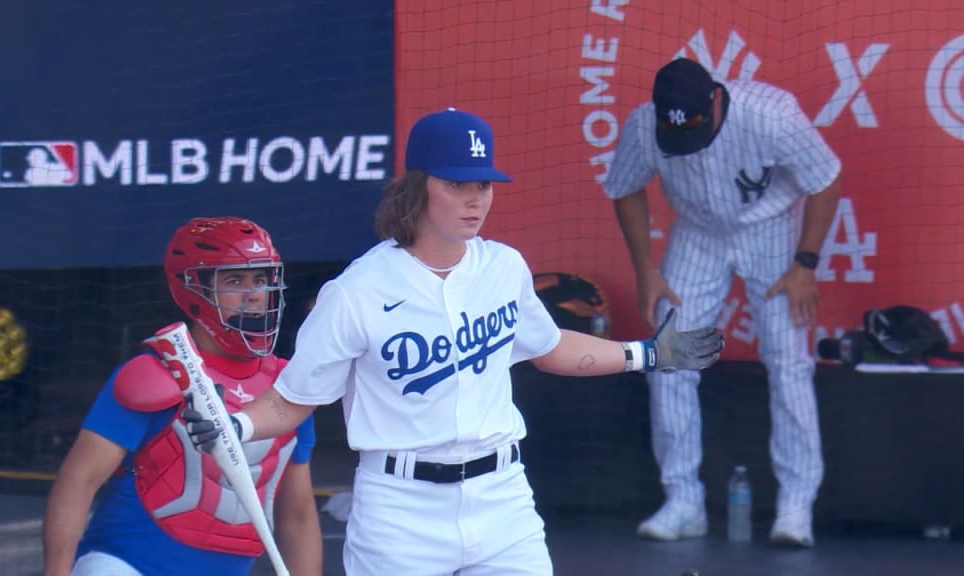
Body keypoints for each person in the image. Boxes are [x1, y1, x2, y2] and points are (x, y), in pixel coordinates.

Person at [183, 107, 725, 576]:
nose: (475, 200)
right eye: (456, 184)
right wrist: (238, 426)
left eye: (482, 185)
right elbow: (293, 398)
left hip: (501, 494)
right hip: (400, 506)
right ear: (418, 188)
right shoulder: (355, 292)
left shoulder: (504, 267)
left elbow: (548, 346)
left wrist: (649, 354)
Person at [603, 58, 841, 547]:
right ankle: (682, 500)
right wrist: (646, 270)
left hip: (770, 230)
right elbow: (624, 188)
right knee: (667, 358)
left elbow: (825, 178)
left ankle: (797, 506)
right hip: (698, 234)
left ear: (714, 99)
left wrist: (806, 264)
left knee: (788, 361)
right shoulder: (644, 125)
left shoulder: (771, 114)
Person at [42, 217, 322, 576]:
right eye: (236, 280)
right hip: (125, 565)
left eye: (263, 279)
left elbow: (296, 514)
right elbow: (78, 481)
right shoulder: (154, 373)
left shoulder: (287, 387)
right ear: (194, 291)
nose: (255, 294)